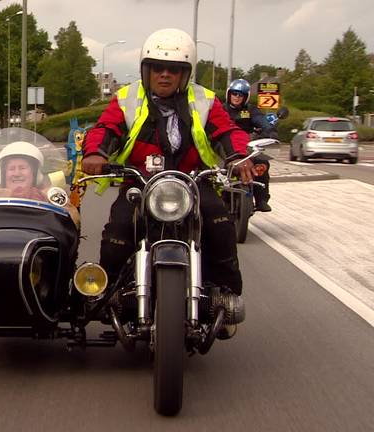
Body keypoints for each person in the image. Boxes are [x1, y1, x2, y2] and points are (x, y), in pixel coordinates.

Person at [82, 28, 252, 305]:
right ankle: (107, 295)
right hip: (140, 180)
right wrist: (96, 152)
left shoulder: (205, 99)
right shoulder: (127, 97)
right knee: (119, 229)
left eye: (173, 69)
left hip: (194, 180)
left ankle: (226, 295)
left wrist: (237, 156)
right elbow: (106, 127)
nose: (165, 74)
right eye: (157, 68)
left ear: (185, 73)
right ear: (145, 70)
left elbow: (226, 130)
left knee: (219, 223)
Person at [224, 79, 275, 212]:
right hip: (224, 146)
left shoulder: (251, 110)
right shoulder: (221, 109)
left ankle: (261, 199)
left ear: (245, 97)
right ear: (229, 94)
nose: (237, 96)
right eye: (234, 93)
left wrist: (269, 133)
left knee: (262, 162)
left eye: (241, 94)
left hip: (245, 146)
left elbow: (263, 123)